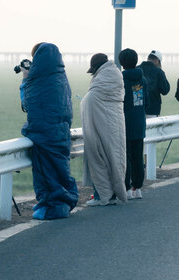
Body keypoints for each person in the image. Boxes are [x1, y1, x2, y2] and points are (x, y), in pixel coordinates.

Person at [19, 42, 78, 220]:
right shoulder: (61, 77)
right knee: (60, 169)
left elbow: (27, 105)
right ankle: (64, 202)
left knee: (46, 171)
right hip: (62, 131)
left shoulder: (36, 81)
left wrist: (25, 79)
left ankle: (52, 207)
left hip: (45, 133)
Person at [81, 53, 128, 206]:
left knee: (98, 154)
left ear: (96, 67)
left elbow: (92, 98)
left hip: (99, 121)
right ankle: (114, 193)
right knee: (115, 156)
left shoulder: (101, 81)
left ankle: (103, 195)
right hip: (116, 123)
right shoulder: (116, 75)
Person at [119, 49, 149, 199]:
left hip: (124, 123)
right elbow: (146, 102)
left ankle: (127, 190)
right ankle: (138, 188)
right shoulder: (141, 79)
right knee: (138, 156)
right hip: (139, 122)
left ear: (122, 62)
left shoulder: (121, 79)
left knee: (126, 157)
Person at [137, 50, 170, 117]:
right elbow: (165, 90)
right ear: (157, 61)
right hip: (153, 110)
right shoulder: (159, 72)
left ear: (148, 58)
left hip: (137, 108)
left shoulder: (136, 69)